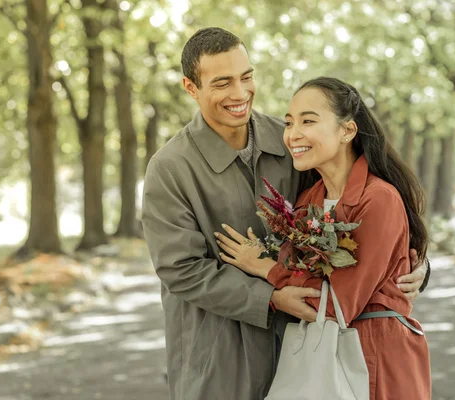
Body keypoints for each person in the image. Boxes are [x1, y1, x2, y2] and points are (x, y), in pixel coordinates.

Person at [142, 28, 429, 400]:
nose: (239, 93)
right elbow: (180, 269)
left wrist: (413, 263)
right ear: (191, 87)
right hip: (221, 357)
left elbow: (357, 207)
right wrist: (271, 298)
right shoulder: (170, 168)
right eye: (222, 82)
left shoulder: (292, 141)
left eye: (246, 77)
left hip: (308, 349)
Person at [216, 77, 431, 399]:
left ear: (347, 131)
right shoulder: (307, 202)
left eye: (308, 121)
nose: (292, 134)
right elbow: (305, 282)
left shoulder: (378, 199)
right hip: (320, 356)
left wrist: (263, 267)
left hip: (377, 358)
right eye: (289, 122)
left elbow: (335, 305)